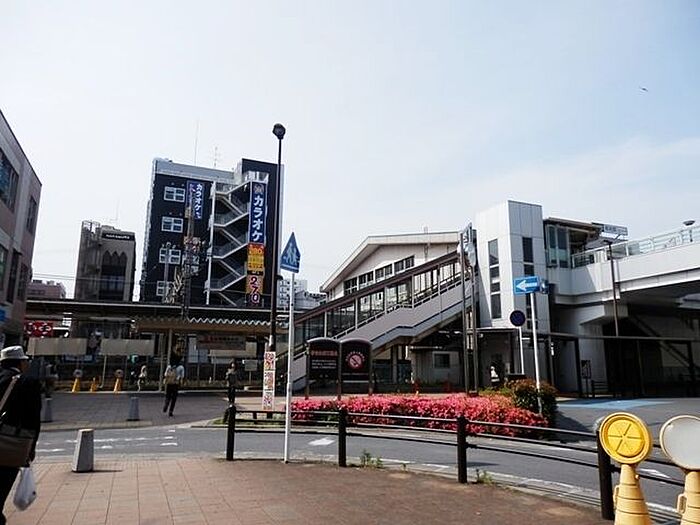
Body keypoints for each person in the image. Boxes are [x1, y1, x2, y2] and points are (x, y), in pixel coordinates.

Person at [0, 346, 42, 525]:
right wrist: (30, 448)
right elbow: (33, 419)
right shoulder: (27, 382)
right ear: (21, 362)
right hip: (9, 444)